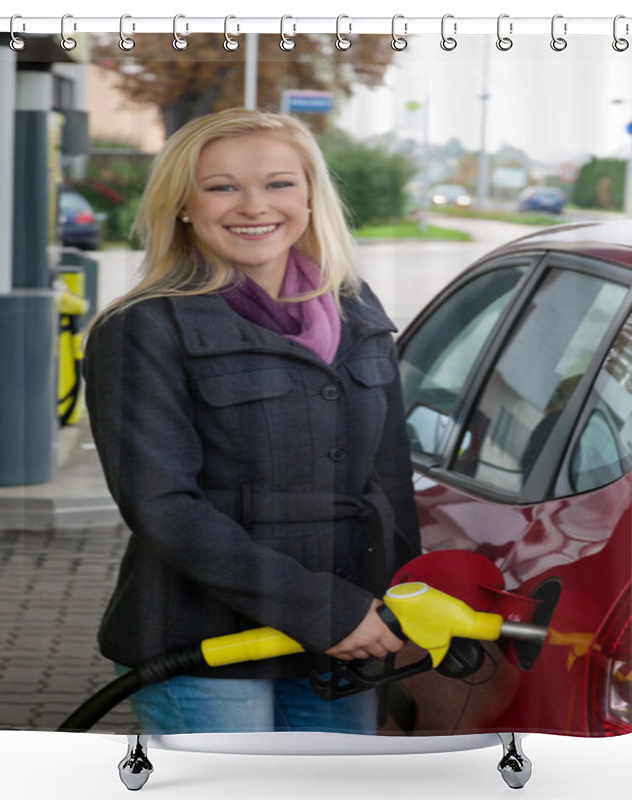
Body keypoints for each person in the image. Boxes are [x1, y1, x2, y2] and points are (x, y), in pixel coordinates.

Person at [83, 108, 421, 735]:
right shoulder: (144, 328)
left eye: (278, 183)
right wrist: (320, 608)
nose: (252, 206)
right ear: (182, 204)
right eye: (221, 186)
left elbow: (388, 475)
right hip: (209, 647)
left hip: (340, 642)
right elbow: (164, 507)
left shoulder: (355, 305)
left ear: (311, 195)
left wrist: (403, 602)